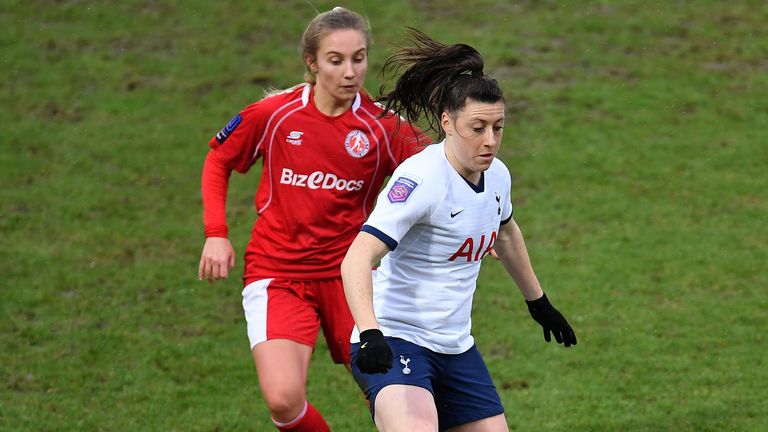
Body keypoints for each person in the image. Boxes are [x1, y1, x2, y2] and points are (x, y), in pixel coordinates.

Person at [197, 8, 427, 432]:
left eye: (358, 58)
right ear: (312, 62)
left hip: (352, 277)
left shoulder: (382, 127)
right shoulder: (274, 115)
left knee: (392, 394)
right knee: (283, 399)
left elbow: (440, 173)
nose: (350, 71)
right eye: (336, 60)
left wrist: (486, 227)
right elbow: (218, 159)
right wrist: (216, 234)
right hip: (278, 272)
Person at [341, 28, 577, 432]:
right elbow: (357, 258)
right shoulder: (421, 180)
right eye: (478, 127)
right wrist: (371, 333)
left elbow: (505, 233)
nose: (490, 141)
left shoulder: (497, 176)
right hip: (397, 338)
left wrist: (538, 302)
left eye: (497, 127)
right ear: (448, 123)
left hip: (455, 346)